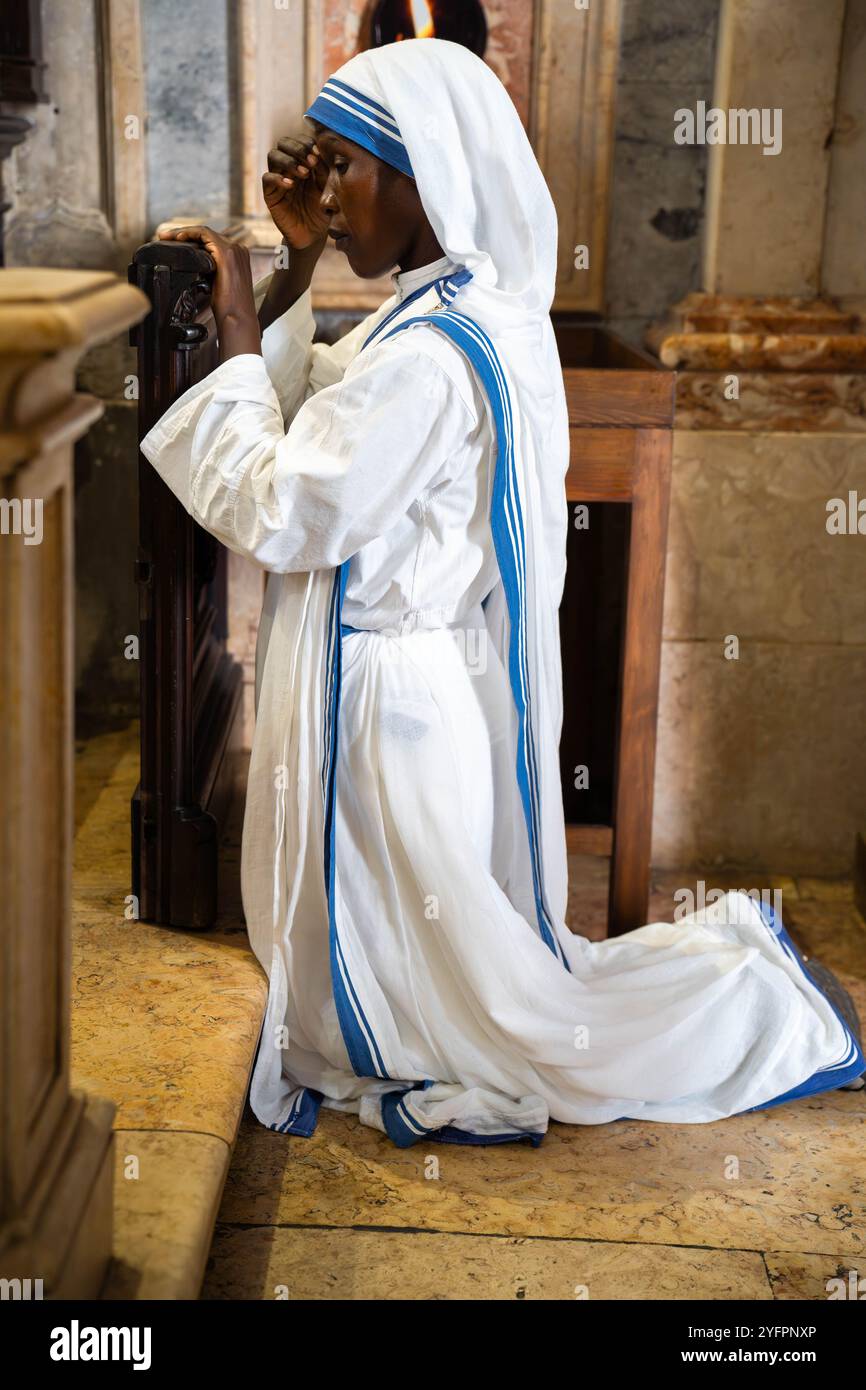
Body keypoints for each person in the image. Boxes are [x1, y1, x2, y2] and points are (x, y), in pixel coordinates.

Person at [140, 38, 864, 1148]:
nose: (324, 197)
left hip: (386, 700)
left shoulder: (432, 353)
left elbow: (288, 508)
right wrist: (293, 270)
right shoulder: (459, 309)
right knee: (427, 979)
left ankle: (752, 1016)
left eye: (342, 168)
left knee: (477, 1023)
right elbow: (320, 411)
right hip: (399, 680)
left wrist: (238, 328)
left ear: (423, 174)